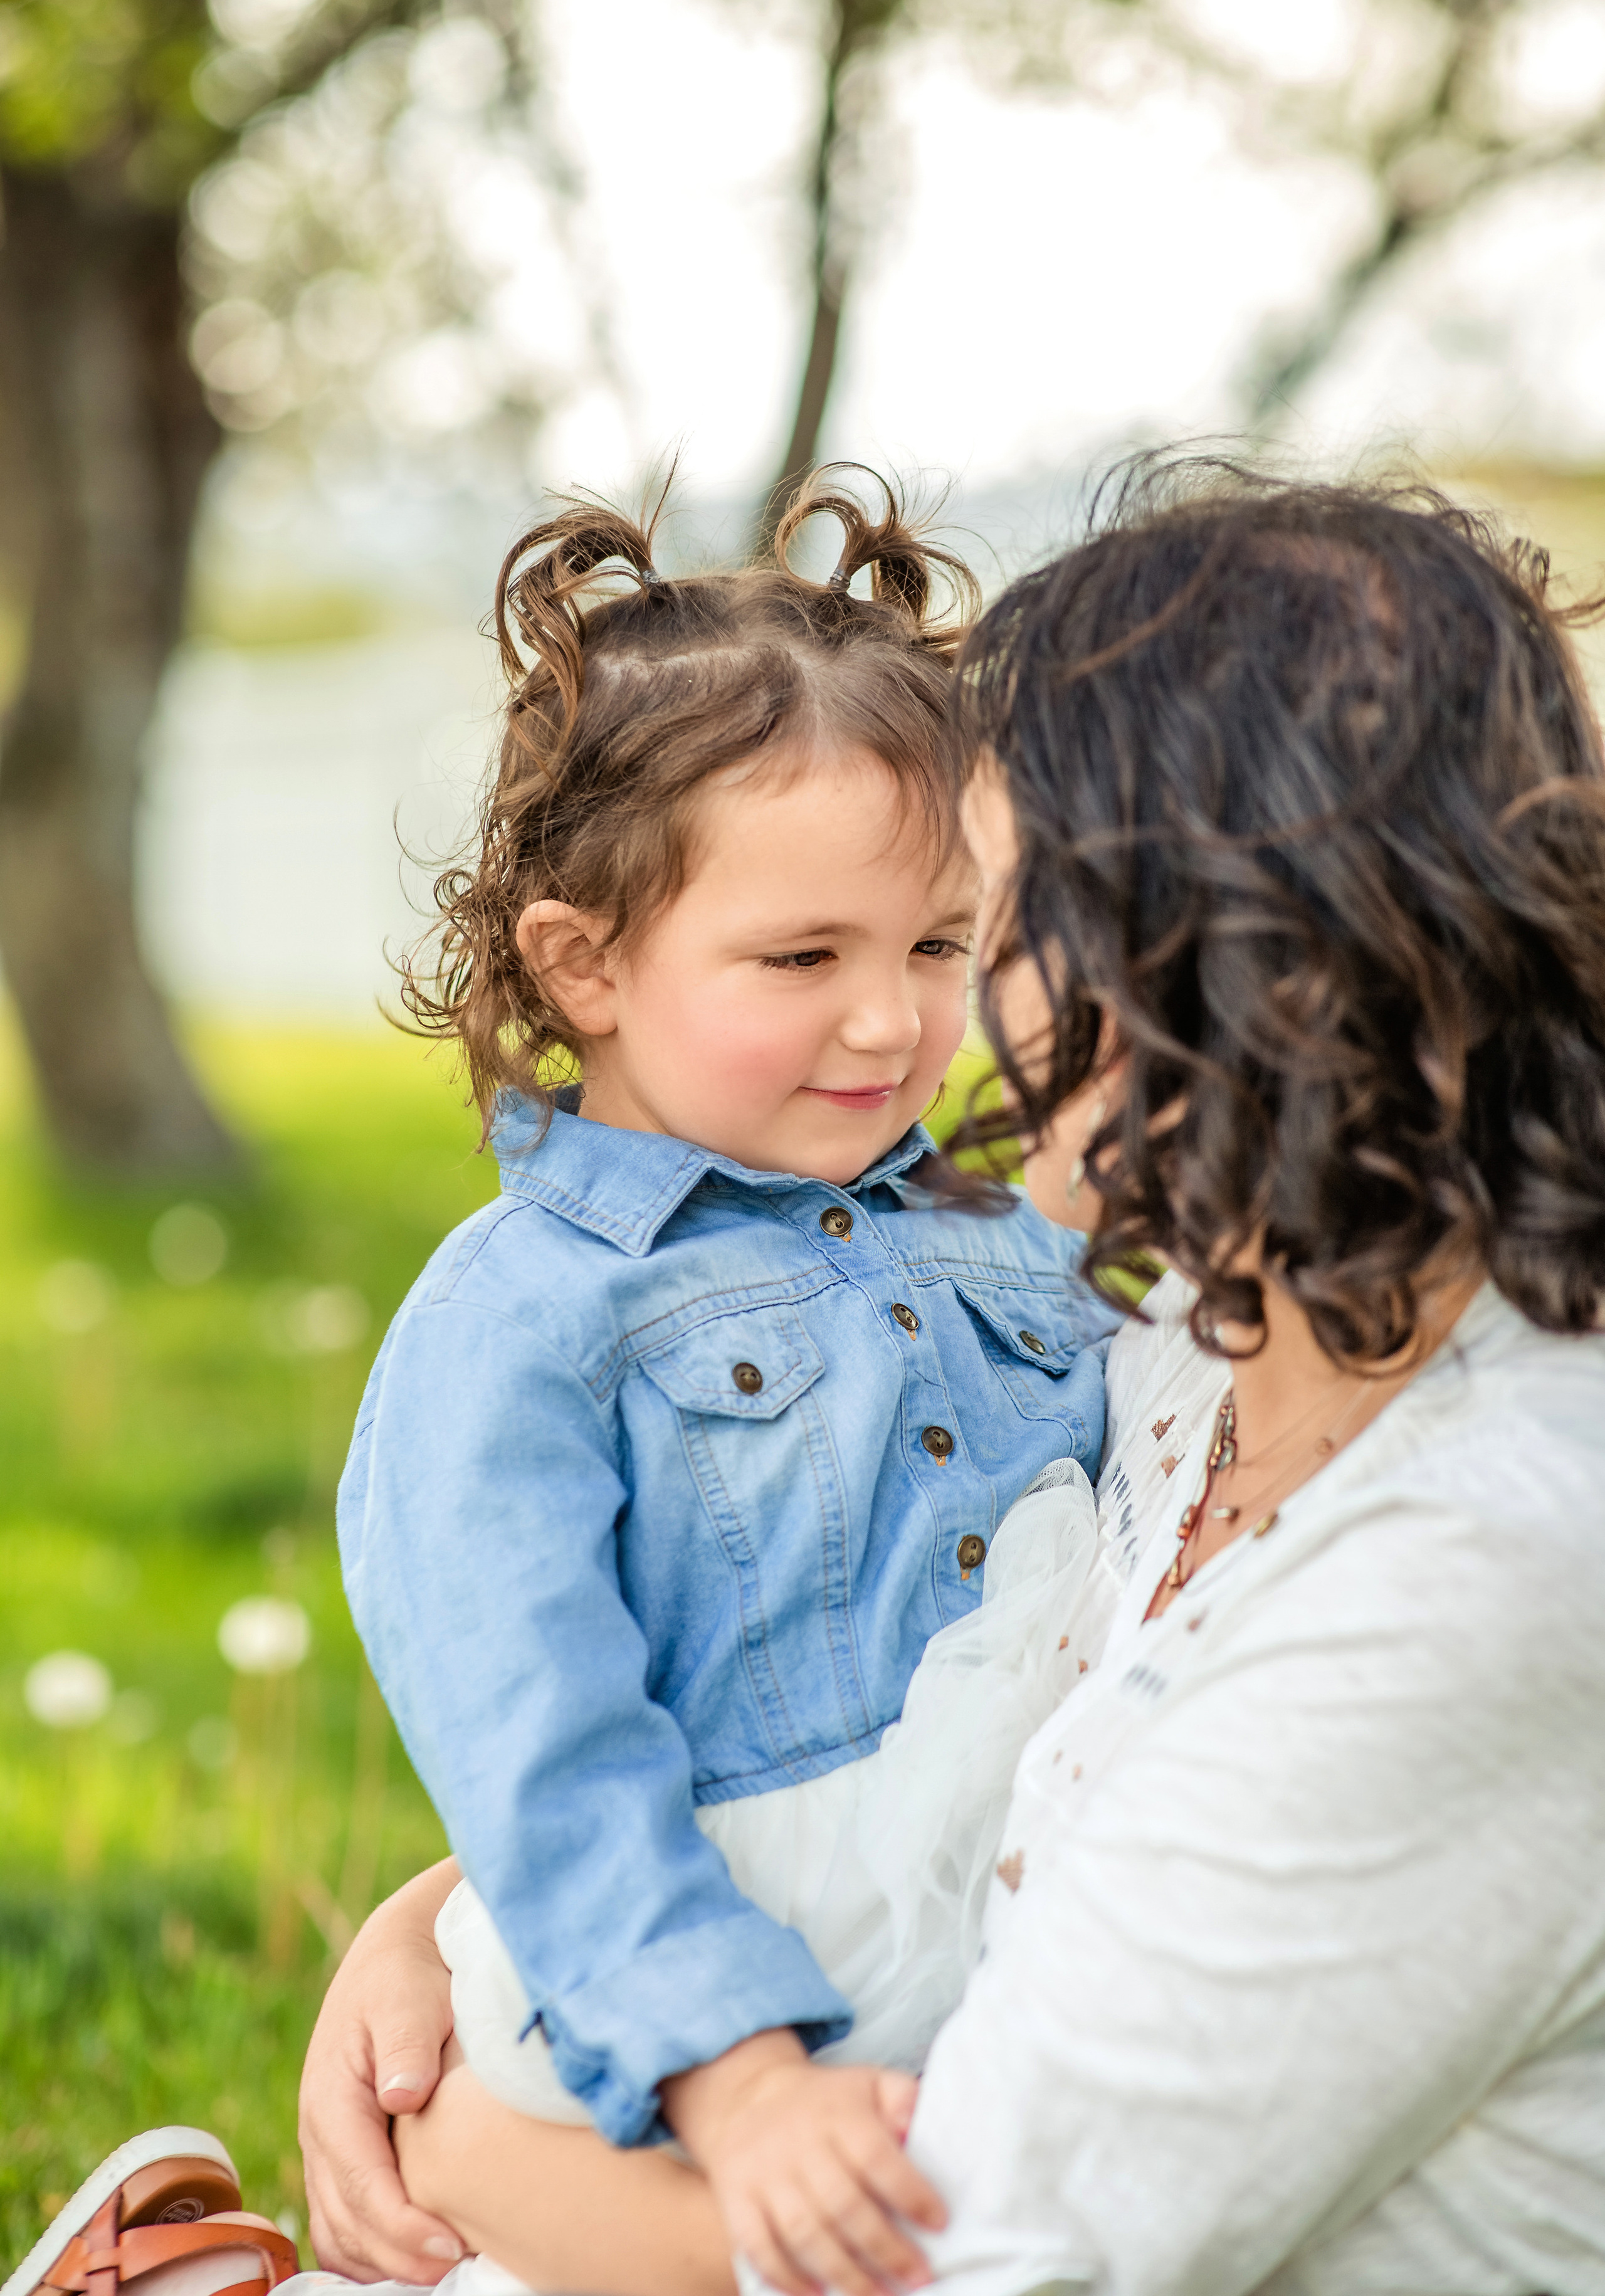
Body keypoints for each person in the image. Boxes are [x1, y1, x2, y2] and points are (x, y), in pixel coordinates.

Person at [292, 462, 1605, 2296]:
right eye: (816, 952)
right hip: (729, 2039)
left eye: (976, 921)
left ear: (1242, 949)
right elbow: (588, 1718)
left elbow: (966, 2266)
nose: (930, 1017)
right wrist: (442, 1928)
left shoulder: (1476, 1553)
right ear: (581, 967)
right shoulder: (1187, 1369)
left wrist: (462, 2149)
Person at [330, 468, 1118, 2296]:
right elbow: (545, 1751)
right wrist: (737, 2082)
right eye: (801, 959)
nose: (891, 1022)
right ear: (585, 962)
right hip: (692, 2032)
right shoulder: (521, 1319)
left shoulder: (1014, 1233)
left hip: (987, 1975)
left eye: (938, 945)